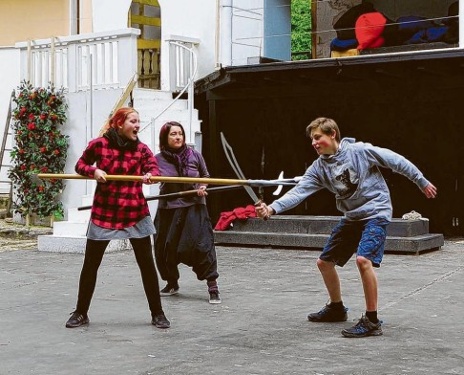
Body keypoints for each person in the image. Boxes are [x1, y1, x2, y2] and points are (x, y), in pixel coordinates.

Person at [255, 117, 437, 338]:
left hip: (376, 212)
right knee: (324, 262)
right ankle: (336, 308)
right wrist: (272, 209)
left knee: (363, 260)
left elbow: (395, 161)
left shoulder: (359, 151)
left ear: (332, 134)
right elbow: (298, 192)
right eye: (312, 139)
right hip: (352, 216)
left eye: (317, 137)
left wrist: (421, 180)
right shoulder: (318, 168)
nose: (313, 143)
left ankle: (371, 321)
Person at [65, 107, 170, 329]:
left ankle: (158, 313)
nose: (138, 125)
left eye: (139, 121)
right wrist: (93, 172)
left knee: (147, 265)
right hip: (105, 212)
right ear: (120, 123)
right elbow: (80, 165)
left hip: (134, 212)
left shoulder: (141, 149)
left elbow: (153, 167)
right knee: (90, 265)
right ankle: (81, 312)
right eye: (133, 121)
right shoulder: (99, 145)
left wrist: (151, 175)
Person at [153, 121, 221, 304]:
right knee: (163, 248)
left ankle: (213, 287)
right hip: (168, 208)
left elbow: (205, 176)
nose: (177, 137)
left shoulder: (194, 154)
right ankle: (172, 283)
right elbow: (148, 174)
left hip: (194, 207)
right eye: (173, 134)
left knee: (202, 246)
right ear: (165, 138)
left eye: (180, 134)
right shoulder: (157, 159)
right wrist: (148, 178)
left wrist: (201, 186)